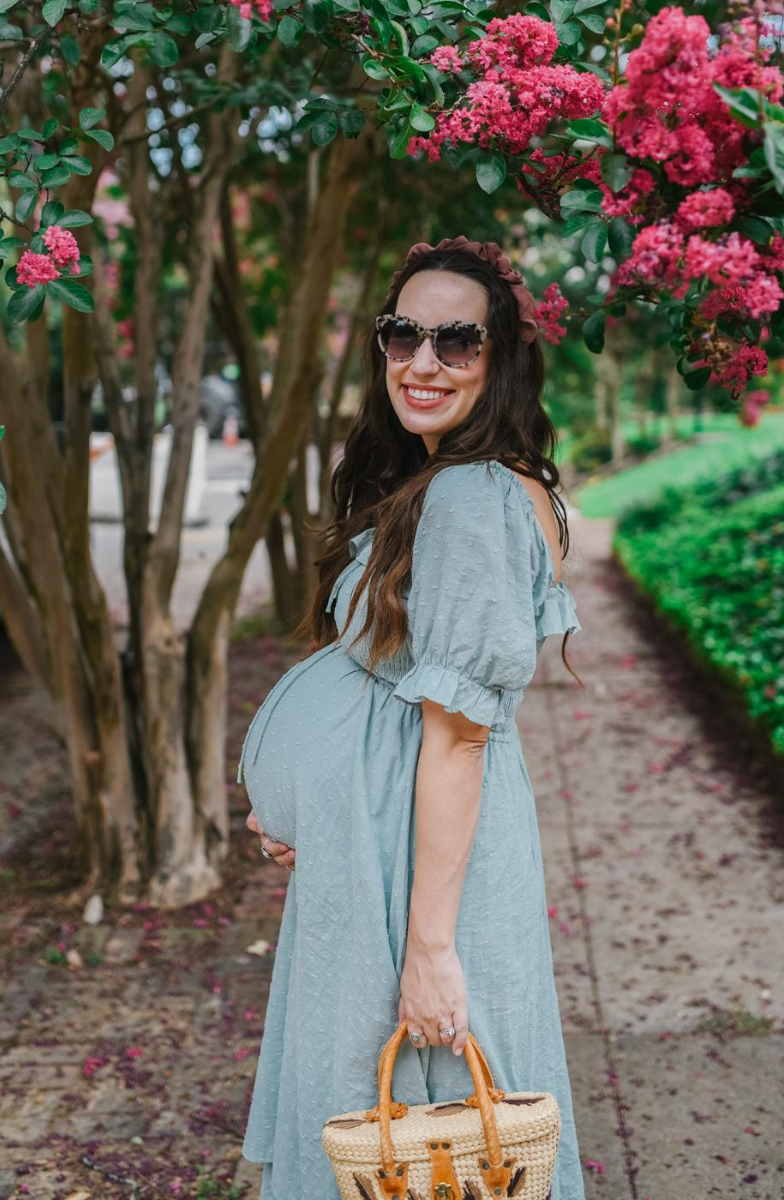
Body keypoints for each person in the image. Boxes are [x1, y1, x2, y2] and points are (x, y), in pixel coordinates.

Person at [237, 237, 586, 1196]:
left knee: (422, 1131)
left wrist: (430, 951)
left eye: (456, 342)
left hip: (414, 879)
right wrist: (313, 803)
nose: (422, 362)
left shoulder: (473, 498)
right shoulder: (460, 483)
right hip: (378, 846)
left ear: (500, 357)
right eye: (403, 335)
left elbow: (459, 739)